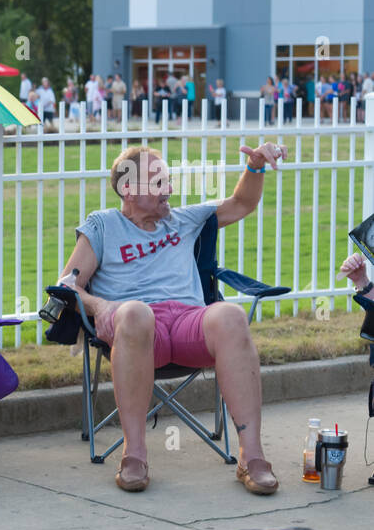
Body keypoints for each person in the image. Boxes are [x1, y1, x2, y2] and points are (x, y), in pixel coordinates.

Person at [59, 142, 287, 496]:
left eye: (168, 180)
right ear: (128, 189)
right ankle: (134, 454)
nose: (169, 189)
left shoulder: (185, 218)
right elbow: (68, 284)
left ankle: (252, 457)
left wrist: (255, 167)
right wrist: (101, 307)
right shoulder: (102, 225)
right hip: (135, 331)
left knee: (230, 314)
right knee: (135, 312)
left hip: (187, 323)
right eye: (158, 182)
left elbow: (242, 203)